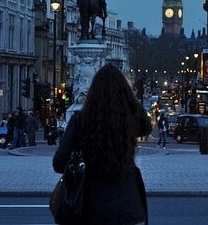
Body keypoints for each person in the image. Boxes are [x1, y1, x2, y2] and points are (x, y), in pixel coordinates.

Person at [53, 64, 152, 224]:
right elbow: (146, 126)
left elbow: (58, 163)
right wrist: (129, 99)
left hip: (90, 207)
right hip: (128, 206)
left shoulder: (80, 120)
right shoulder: (131, 119)